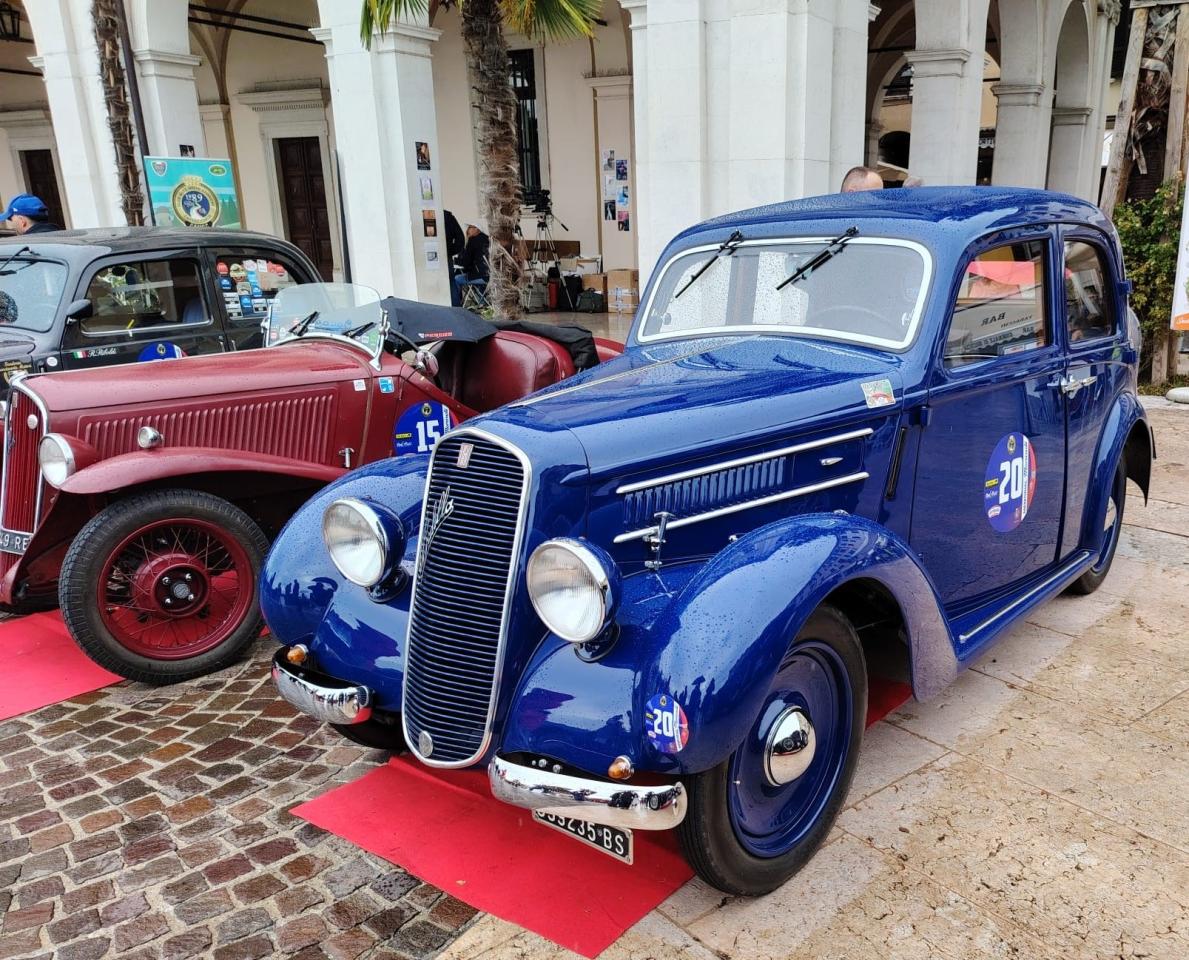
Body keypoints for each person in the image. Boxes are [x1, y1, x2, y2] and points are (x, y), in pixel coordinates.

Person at [453, 222, 490, 307]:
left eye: (470, 227)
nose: (467, 230)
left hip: (480, 276)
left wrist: (455, 261)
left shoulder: (473, 241)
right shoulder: (488, 239)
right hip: (490, 276)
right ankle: (482, 302)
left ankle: (457, 305)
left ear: (477, 229)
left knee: (456, 278)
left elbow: (466, 262)